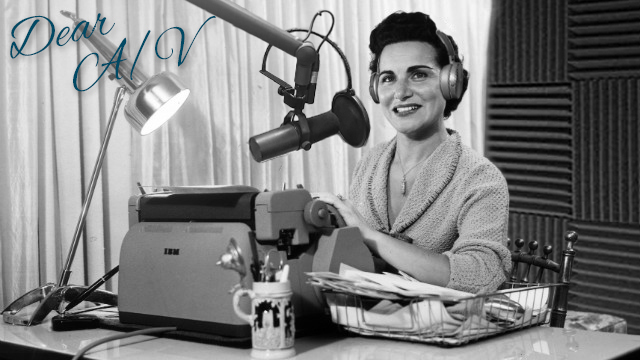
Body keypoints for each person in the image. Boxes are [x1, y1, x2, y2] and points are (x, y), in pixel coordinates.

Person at [315, 11, 511, 294]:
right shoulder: (369, 164)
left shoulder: (480, 179)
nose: (401, 92)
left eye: (418, 75)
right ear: (375, 89)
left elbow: (483, 275)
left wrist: (371, 237)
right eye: (387, 78)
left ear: (450, 83)